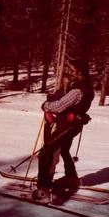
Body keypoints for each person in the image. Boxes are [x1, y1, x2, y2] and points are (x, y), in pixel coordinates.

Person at [32, 59, 94, 203]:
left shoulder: (78, 90)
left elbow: (59, 106)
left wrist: (46, 105)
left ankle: (43, 190)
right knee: (64, 149)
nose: (71, 73)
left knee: (46, 151)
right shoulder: (86, 87)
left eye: (73, 70)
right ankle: (71, 178)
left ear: (80, 72)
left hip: (66, 126)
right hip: (73, 125)